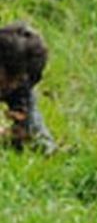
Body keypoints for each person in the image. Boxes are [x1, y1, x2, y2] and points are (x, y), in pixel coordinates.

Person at [0, 22, 54, 154]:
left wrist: (16, 136)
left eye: (16, 81)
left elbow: (41, 140)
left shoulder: (19, 89)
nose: (9, 86)